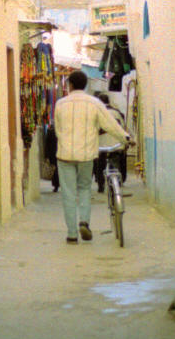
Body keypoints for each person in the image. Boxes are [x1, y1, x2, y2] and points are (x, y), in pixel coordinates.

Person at [54, 70, 131, 244]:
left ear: (70, 85)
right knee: (84, 189)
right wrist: (125, 138)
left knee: (68, 193)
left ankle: (72, 234)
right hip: (86, 155)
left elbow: (58, 130)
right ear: (86, 85)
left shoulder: (60, 104)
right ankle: (84, 222)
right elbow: (111, 125)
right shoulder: (94, 103)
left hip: (65, 155)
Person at [93, 92, 127, 192]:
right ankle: (116, 185)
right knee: (115, 163)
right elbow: (123, 127)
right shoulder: (117, 112)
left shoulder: (98, 113)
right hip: (116, 144)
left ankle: (101, 186)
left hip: (102, 145)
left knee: (100, 165)